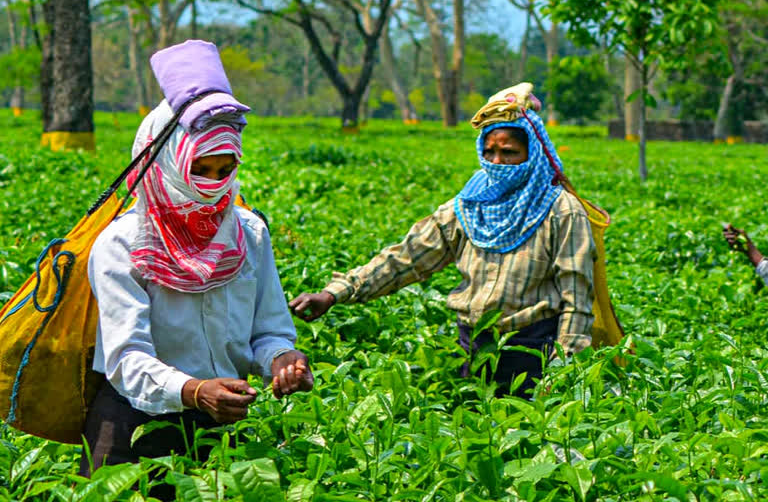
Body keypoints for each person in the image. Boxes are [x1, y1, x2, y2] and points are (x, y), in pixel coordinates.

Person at [80, 40, 313, 496]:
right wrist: (192, 390)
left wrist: (282, 360)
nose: (213, 184)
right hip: (134, 429)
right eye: (201, 168)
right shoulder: (123, 244)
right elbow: (126, 360)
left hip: (221, 427)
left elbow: (268, 329)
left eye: (226, 168)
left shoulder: (248, 232)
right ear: (166, 162)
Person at [289, 83, 595, 398]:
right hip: (472, 350)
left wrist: (562, 374)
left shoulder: (561, 211)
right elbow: (406, 259)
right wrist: (334, 293)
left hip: (532, 354)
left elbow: (578, 301)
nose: (497, 161)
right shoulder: (468, 205)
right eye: (490, 151)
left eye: (509, 152)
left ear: (532, 153)